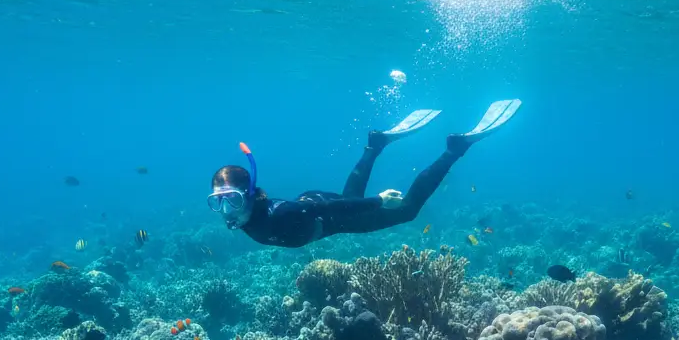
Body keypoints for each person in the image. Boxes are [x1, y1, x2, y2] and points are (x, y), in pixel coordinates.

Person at [208, 100, 521, 248]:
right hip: (318, 207)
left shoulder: (279, 215)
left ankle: (455, 148)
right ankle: (375, 145)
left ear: (249, 194)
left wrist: (378, 200)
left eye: (231, 200)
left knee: (408, 211)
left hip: (327, 213)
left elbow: (329, 208)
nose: (225, 211)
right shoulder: (250, 216)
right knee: (350, 199)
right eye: (218, 202)